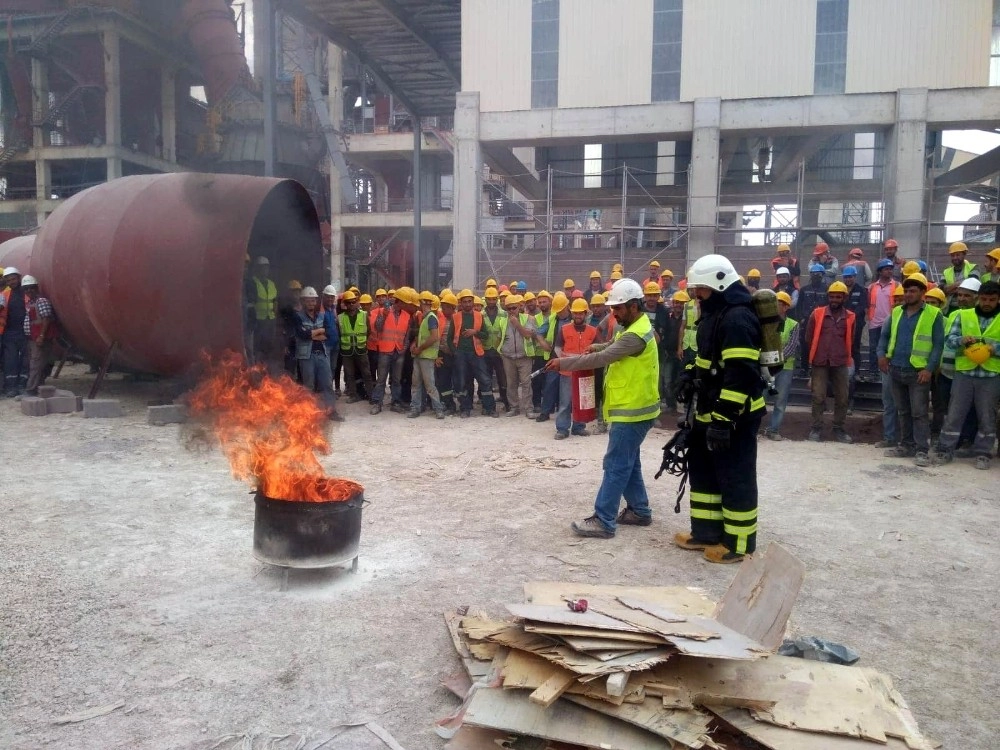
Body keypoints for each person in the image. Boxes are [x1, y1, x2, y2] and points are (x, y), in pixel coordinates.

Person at [544, 279, 660, 539]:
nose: (613, 313)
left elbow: (604, 358)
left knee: (616, 463)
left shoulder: (635, 334)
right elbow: (611, 347)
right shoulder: (633, 326)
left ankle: (604, 519)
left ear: (632, 305)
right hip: (635, 408)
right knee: (630, 462)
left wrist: (565, 362)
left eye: (617, 308)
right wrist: (600, 344)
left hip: (633, 410)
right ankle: (639, 511)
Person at [672, 254, 764, 563]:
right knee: (705, 471)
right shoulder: (715, 314)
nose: (697, 295)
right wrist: (689, 374)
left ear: (719, 284)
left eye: (701, 288)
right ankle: (707, 533)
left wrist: (723, 421)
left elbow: (740, 375)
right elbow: (708, 359)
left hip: (734, 415)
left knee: (734, 475)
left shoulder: (738, 318)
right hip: (709, 410)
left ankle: (738, 543)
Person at [932, 280, 1000, 470]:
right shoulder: (963, 315)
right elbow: (949, 339)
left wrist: (994, 349)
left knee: (987, 416)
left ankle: (983, 453)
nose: (987, 303)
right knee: (955, 413)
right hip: (964, 373)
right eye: (984, 299)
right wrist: (961, 340)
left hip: (991, 375)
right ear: (978, 298)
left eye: (992, 300)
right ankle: (945, 449)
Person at [877, 273, 944, 466]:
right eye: (906, 291)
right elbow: (884, 337)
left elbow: (938, 344)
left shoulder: (934, 314)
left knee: (919, 412)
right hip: (896, 369)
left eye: (913, 291)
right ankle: (906, 445)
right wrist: (881, 355)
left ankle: (922, 449)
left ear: (923, 292)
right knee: (903, 411)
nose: (908, 294)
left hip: (918, 372)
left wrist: (929, 369)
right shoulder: (897, 312)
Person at [805, 281, 855, 443]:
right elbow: (808, 337)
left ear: (844, 298)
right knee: (818, 396)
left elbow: (852, 339)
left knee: (842, 397)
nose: (834, 299)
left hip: (840, 362)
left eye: (838, 297)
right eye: (832, 296)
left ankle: (838, 428)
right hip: (820, 361)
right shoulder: (817, 314)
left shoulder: (850, 317)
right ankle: (816, 428)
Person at [550, 298, 597, 439]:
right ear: (572, 313)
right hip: (567, 373)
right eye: (575, 313)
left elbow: (599, 351)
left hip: (584, 373)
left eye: (580, 313)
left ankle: (579, 427)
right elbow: (557, 349)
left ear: (585, 314)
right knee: (565, 401)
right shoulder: (564, 330)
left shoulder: (593, 331)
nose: (578, 316)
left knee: (581, 401)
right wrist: (566, 363)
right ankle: (562, 429)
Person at [294, 287, 343, 421]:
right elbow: (301, 334)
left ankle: (331, 411)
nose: (311, 303)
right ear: (303, 301)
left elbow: (327, 331)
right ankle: (308, 413)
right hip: (306, 356)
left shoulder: (321, 316)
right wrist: (317, 333)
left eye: (313, 300)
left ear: (316, 301)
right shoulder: (298, 316)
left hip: (322, 353)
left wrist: (312, 333)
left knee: (327, 383)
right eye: (308, 301)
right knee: (308, 385)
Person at [447, 288, 496, 418]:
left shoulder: (479, 316)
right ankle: (465, 408)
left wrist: (475, 332)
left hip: (477, 354)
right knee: (463, 382)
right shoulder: (456, 317)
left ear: (473, 302)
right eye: (465, 302)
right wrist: (455, 352)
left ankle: (489, 408)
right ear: (461, 303)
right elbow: (449, 338)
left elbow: (485, 335)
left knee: (485, 381)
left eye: (470, 301)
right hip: (461, 354)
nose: (468, 304)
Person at [763, 291, 799, 441]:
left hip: (785, 368)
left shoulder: (793, 325)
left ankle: (773, 429)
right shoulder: (765, 324)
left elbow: (791, 347)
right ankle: (753, 427)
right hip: (767, 366)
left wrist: (775, 359)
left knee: (780, 400)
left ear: (785, 307)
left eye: (777, 303)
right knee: (761, 397)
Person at [371, 288, 412, 414]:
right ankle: (377, 403)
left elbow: (407, 335)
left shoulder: (407, 316)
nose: (405, 305)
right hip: (385, 350)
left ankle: (396, 402)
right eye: (404, 302)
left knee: (396, 380)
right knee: (381, 379)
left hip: (398, 351)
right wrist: (383, 315)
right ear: (397, 301)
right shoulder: (383, 311)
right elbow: (378, 327)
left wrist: (403, 349)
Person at [498, 293, 537, 418]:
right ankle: (514, 407)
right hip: (508, 357)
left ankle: (528, 409)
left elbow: (527, 334)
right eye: (508, 308)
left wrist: (517, 324)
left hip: (524, 357)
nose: (511, 311)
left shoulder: (529, 318)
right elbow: (499, 338)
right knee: (511, 384)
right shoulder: (502, 321)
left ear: (519, 307)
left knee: (526, 383)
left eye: (513, 308)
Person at [408, 291, 446, 419]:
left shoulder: (430, 318)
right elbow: (424, 336)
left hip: (426, 356)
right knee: (417, 383)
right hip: (421, 356)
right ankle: (416, 408)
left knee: (429, 385)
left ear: (422, 302)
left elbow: (434, 336)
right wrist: (416, 345)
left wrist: (420, 348)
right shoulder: (426, 317)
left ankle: (438, 409)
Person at [21, 275, 57, 396]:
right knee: (37, 363)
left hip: (40, 338)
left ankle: (30, 390)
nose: (28, 291)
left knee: (35, 364)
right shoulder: (31, 302)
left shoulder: (41, 301)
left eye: (31, 288)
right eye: (25, 289)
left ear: (36, 288)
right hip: (33, 337)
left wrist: (41, 336)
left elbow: (46, 319)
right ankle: (38, 387)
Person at [337, 290, 373, 403]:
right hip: (347, 351)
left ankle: (371, 395)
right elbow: (339, 333)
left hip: (361, 349)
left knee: (366, 373)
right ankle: (353, 395)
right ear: (345, 304)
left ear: (357, 302)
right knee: (349, 374)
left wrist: (361, 341)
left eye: (353, 302)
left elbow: (368, 331)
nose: (351, 305)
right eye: (349, 303)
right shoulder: (340, 318)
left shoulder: (363, 315)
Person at [480, 287, 511, 412]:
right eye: (489, 299)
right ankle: (487, 405)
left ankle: (507, 402)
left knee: (503, 379)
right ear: (486, 300)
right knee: (485, 379)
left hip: (499, 351)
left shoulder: (504, 314)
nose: (492, 301)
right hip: (485, 350)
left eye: (494, 299)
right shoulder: (480, 315)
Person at [0, 267, 28, 396]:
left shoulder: (27, 292)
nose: (12, 282)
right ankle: (11, 387)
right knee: (10, 359)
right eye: (9, 280)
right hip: (9, 332)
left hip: (25, 331)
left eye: (14, 279)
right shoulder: (5, 295)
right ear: (6, 281)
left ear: (19, 278)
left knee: (25, 358)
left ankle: (23, 384)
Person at [867, 258, 898, 375]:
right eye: (886, 269)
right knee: (873, 348)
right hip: (874, 322)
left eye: (891, 269)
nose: (889, 271)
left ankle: (886, 371)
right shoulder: (871, 287)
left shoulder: (897, 285)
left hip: (890, 322)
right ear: (880, 271)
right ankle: (873, 371)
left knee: (889, 348)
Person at [797, 263, 829, 373]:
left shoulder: (827, 289)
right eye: (813, 274)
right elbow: (798, 306)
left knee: (820, 345)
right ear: (810, 275)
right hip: (806, 321)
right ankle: (804, 367)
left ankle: (816, 367)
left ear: (823, 275)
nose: (816, 276)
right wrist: (800, 318)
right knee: (805, 344)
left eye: (818, 274)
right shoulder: (804, 289)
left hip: (821, 322)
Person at [249, 256, 277, 365]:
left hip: (270, 318)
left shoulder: (271, 284)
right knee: (257, 345)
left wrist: (275, 313)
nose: (264, 270)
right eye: (262, 268)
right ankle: (257, 365)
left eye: (266, 267)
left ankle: (267, 366)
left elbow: (275, 300)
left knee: (269, 344)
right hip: (258, 319)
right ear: (257, 269)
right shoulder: (253, 283)